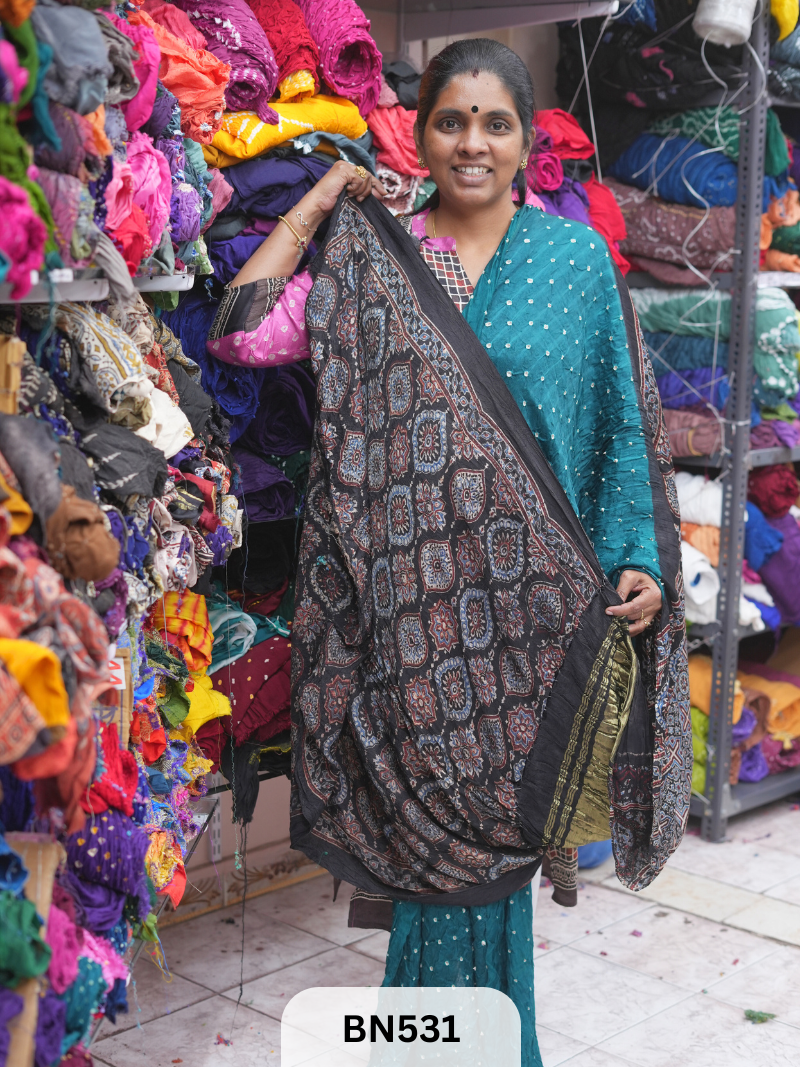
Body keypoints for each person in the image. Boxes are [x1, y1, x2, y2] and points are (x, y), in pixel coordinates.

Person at [210, 38, 690, 1067]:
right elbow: (242, 330)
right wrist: (325, 192)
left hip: (535, 611)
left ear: (523, 142)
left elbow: (620, 427)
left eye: (495, 123)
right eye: (449, 120)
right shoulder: (373, 253)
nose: (471, 142)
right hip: (403, 622)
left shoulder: (571, 263)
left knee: (489, 862)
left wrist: (635, 554)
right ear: (415, 131)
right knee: (434, 868)